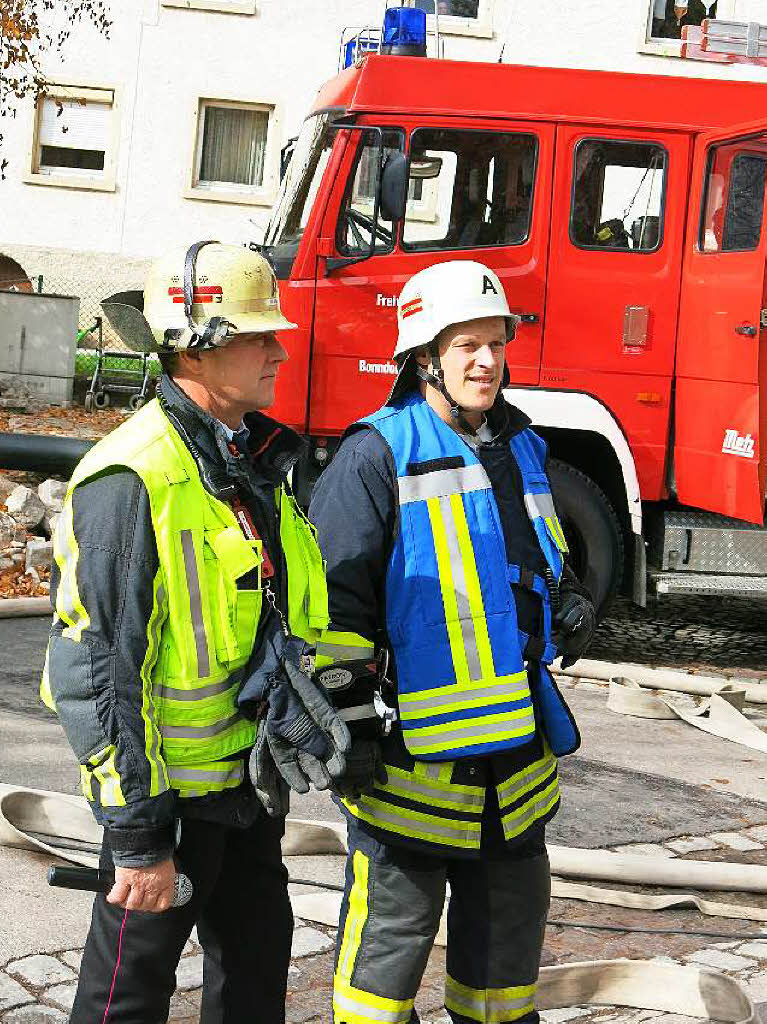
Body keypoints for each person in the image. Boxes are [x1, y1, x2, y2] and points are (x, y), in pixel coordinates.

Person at [41, 241, 350, 1024]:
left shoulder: (243, 465)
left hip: (244, 788)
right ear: (199, 343)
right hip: (169, 801)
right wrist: (140, 838)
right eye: (258, 335)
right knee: (126, 995)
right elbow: (101, 671)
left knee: (253, 974)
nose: (280, 351)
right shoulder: (133, 477)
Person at [308, 260, 596, 1024]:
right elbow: (332, 609)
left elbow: (535, 559)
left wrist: (567, 599)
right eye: (465, 343)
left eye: (495, 343)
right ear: (423, 355)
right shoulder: (375, 455)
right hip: (413, 773)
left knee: (501, 991)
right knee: (378, 985)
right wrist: (352, 726)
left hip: (515, 775)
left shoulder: (521, 447)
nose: (486, 361)